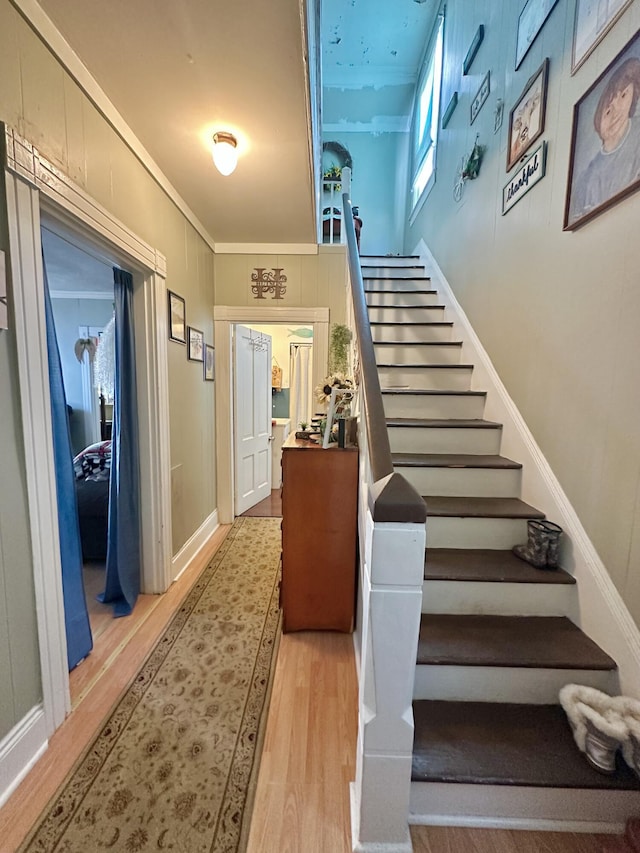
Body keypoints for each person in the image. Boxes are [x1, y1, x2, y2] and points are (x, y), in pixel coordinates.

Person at [572, 56, 640, 219]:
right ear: (598, 120)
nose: (616, 113)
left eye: (624, 95)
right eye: (608, 111)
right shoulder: (586, 181)